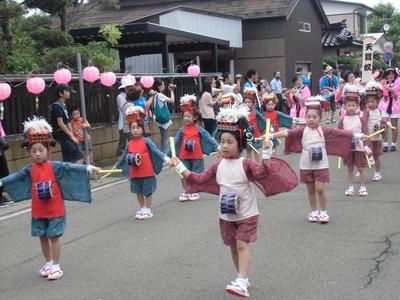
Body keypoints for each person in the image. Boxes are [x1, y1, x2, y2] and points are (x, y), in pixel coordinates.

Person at [170, 103, 298, 298]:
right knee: (232, 246)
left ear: (240, 143)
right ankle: (242, 277)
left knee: (241, 244)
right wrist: (179, 166)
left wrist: (266, 153)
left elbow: (263, 172)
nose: (224, 145)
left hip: (247, 212)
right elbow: (197, 179)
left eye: (229, 142)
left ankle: (241, 281)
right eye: (222, 141)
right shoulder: (217, 165)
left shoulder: (246, 163)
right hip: (227, 213)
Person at [0, 117, 100, 280]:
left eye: (41, 150)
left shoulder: (54, 166)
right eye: (34, 151)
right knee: (42, 236)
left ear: (48, 149)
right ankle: (48, 262)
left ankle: (56, 264)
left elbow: (70, 167)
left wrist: (88, 167)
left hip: (55, 209)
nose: (38, 154)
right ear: (29, 152)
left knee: (54, 236)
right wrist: (1, 181)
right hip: (39, 210)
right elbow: (15, 177)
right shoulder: (29, 169)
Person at [273, 96, 361, 223]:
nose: (311, 119)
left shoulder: (324, 130)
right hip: (306, 163)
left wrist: (356, 135)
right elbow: (288, 133)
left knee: (320, 189)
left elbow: (340, 133)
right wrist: (271, 135)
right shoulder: (302, 130)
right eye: (308, 117)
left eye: (314, 117)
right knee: (310, 189)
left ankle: (324, 212)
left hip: (321, 163)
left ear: (320, 117)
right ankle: (314, 211)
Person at [116, 106, 172, 220]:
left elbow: (156, 151)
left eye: (137, 128)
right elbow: (123, 157)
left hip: (146, 171)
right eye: (132, 128)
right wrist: (115, 166)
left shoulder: (146, 141)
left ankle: (148, 209)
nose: (135, 130)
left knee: (147, 191)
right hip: (134, 172)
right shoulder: (130, 143)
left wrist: (166, 159)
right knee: (138, 190)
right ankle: (142, 208)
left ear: (142, 129)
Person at [169, 95, 219, 201]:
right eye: (185, 116)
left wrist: (217, 146)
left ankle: (194, 190)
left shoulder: (199, 129)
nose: (186, 118)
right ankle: (186, 190)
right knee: (183, 174)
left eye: (189, 116)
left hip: (196, 156)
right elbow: (175, 142)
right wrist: (167, 154)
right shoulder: (182, 130)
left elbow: (208, 138)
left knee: (195, 174)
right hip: (184, 155)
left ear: (195, 117)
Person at [337, 86, 369, 196]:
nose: (351, 107)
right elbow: (339, 133)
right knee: (350, 168)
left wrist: (366, 145)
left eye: (353, 105)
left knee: (360, 168)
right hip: (347, 147)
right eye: (348, 105)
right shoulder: (343, 120)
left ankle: (363, 187)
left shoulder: (361, 118)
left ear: (357, 106)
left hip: (359, 147)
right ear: (345, 106)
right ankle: (350, 187)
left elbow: (366, 133)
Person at [50, 84, 83, 163]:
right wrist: (71, 136)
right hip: (61, 134)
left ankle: (66, 174)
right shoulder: (57, 106)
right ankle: (77, 175)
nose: (69, 93)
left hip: (65, 134)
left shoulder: (63, 105)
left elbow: (67, 122)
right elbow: (60, 123)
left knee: (67, 159)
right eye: (67, 91)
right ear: (61, 94)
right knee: (78, 156)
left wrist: (72, 135)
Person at [364, 81, 385, 181]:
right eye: (368, 102)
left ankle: (378, 172)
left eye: (373, 101)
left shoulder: (379, 111)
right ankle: (361, 169)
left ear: (377, 102)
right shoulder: (366, 112)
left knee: (376, 156)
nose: (370, 104)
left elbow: (383, 122)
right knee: (366, 152)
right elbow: (362, 122)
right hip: (368, 137)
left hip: (377, 137)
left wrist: (383, 126)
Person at [380, 67, 400, 152]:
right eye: (388, 74)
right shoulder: (383, 82)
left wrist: (386, 87)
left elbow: (395, 92)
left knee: (394, 126)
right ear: (386, 75)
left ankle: (393, 144)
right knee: (384, 125)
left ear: (395, 74)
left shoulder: (398, 82)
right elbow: (380, 92)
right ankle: (384, 144)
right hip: (385, 105)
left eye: (392, 74)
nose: (390, 76)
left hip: (395, 106)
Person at [242, 89, 265, 161]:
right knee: (248, 150)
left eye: (249, 102)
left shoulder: (255, 112)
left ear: (252, 103)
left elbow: (263, 120)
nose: (247, 104)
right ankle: (249, 166)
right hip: (247, 134)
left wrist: (265, 128)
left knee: (256, 150)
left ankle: (257, 166)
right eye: (245, 102)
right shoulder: (242, 113)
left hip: (255, 134)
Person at [153, 79, 175, 151]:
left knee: (163, 139)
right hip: (165, 121)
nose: (164, 86)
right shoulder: (160, 95)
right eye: (163, 85)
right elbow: (172, 100)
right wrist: (171, 91)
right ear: (158, 86)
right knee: (165, 139)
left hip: (159, 120)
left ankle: (161, 154)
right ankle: (165, 155)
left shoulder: (155, 95)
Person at [116, 78, 134, 155]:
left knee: (131, 144)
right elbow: (126, 109)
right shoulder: (120, 97)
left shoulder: (130, 96)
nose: (130, 89)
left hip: (130, 123)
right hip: (123, 124)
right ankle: (120, 162)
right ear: (125, 88)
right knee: (122, 145)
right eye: (129, 87)